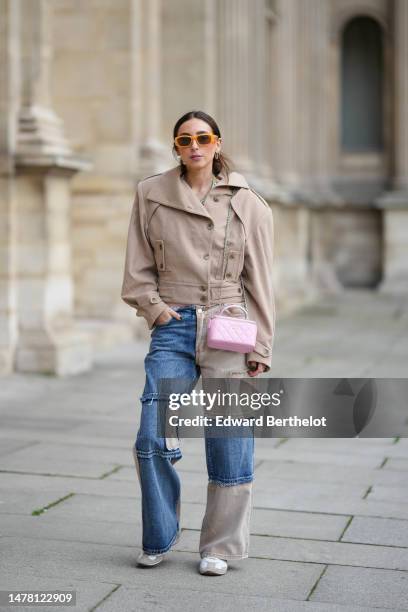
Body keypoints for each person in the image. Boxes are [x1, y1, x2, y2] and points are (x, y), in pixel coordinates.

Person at [121, 110, 275, 576]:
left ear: (217, 143)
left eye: (203, 138)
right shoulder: (151, 193)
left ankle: (219, 548)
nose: (194, 146)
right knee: (153, 432)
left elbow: (261, 282)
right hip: (173, 324)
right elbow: (136, 267)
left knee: (230, 436)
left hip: (228, 322)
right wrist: (156, 308)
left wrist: (261, 347)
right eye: (184, 139)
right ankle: (159, 535)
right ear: (176, 147)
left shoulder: (249, 203)